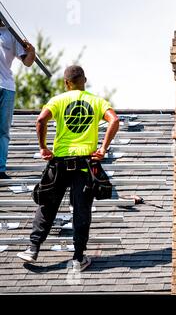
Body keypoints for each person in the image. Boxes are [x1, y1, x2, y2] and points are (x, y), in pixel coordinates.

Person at [17, 65, 120, 272]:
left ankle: (33, 248)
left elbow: (41, 120)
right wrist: (103, 148)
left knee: (47, 204)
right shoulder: (96, 101)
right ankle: (78, 257)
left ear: (66, 83)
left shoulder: (58, 101)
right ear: (85, 80)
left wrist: (43, 147)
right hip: (84, 164)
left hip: (60, 162)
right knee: (81, 210)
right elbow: (114, 120)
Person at [0, 20, 36, 179]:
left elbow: (27, 62)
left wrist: (32, 51)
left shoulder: (11, 34)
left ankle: (0, 168)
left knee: (3, 130)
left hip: (6, 86)